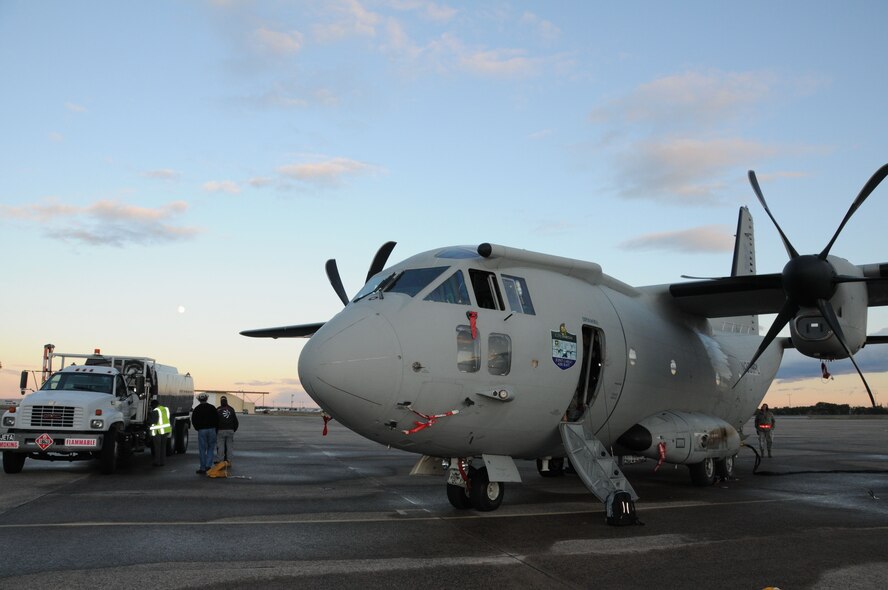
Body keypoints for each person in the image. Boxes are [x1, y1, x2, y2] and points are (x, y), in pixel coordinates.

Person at [191, 393, 218, 474]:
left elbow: (193, 420)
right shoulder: (212, 408)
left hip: (202, 430)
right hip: (212, 429)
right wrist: (215, 428)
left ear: (199, 399)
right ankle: (208, 466)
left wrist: (198, 428)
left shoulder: (197, 409)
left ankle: (202, 468)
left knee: (202, 449)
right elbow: (217, 418)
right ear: (206, 399)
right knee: (211, 448)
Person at [215, 395, 239, 465]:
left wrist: (216, 430)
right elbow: (236, 422)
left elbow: (215, 421)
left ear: (221, 401)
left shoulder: (218, 409)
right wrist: (233, 429)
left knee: (221, 447)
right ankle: (229, 461)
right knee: (229, 447)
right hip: (230, 430)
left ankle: (220, 461)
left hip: (221, 430)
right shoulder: (231, 409)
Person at [149, 399, 171, 466]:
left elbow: (153, 422)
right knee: (163, 447)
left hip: (158, 431)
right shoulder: (165, 409)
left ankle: (157, 462)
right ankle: (162, 462)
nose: (151, 407)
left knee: (157, 447)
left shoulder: (155, 411)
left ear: (154, 405)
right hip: (166, 430)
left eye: (151, 406)